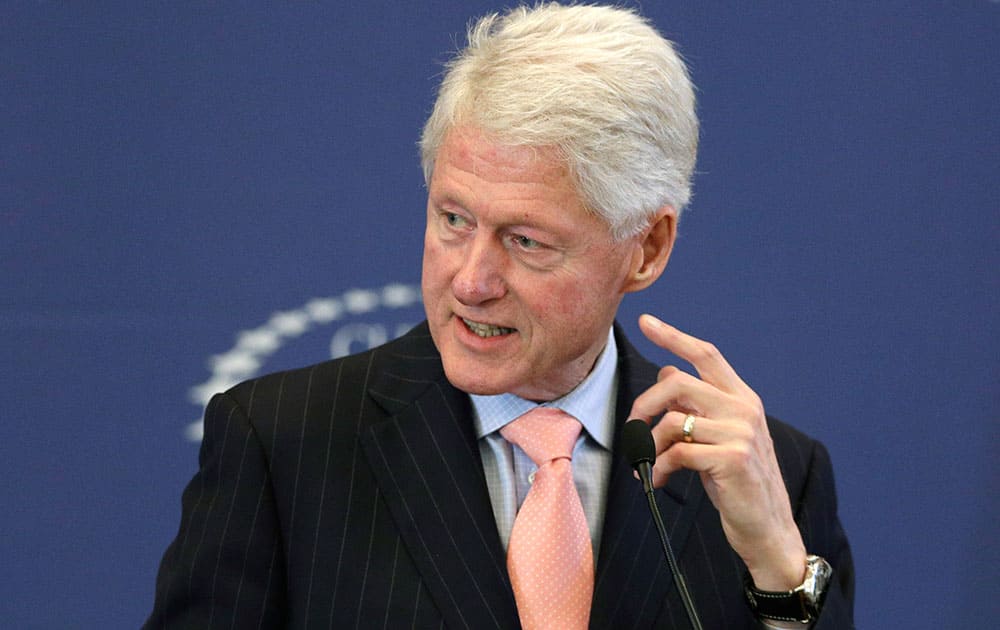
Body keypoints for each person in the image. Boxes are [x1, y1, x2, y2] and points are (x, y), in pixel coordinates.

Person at [146, 4, 853, 629]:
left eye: (526, 241)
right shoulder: (283, 444)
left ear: (647, 248)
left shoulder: (773, 476)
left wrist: (780, 574)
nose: (471, 280)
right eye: (453, 218)